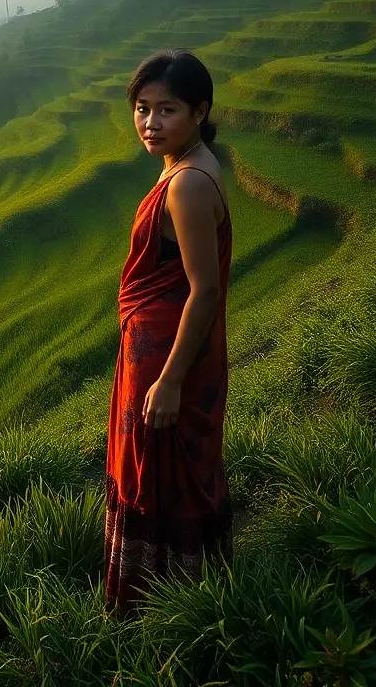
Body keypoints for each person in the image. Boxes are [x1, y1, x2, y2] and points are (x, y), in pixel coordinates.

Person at [104, 48, 234, 616]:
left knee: (160, 473)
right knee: (168, 470)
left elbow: (204, 289)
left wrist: (171, 381)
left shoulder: (186, 185)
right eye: (142, 108)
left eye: (168, 110)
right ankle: (185, 594)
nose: (150, 123)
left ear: (200, 111)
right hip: (162, 348)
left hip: (168, 358)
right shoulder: (191, 165)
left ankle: (159, 606)